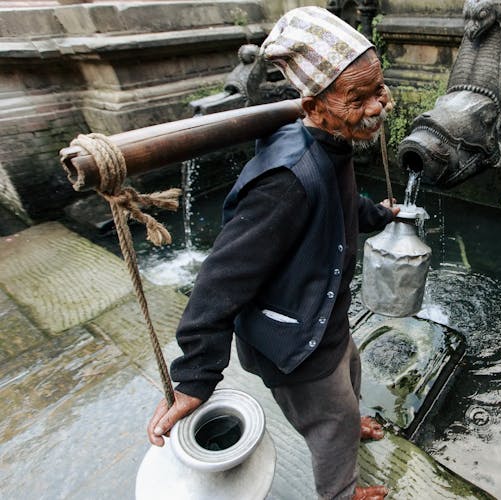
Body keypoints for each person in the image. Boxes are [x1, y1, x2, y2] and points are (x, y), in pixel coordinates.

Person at [146, 6, 398, 500]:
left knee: (348, 376)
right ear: (312, 105)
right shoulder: (285, 183)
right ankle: (340, 492)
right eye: (358, 97)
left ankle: (348, 420)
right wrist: (196, 375)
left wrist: (378, 216)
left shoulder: (333, 142)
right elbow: (221, 279)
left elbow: (342, 208)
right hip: (296, 346)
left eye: (378, 90)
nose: (377, 107)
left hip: (325, 319)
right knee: (328, 424)